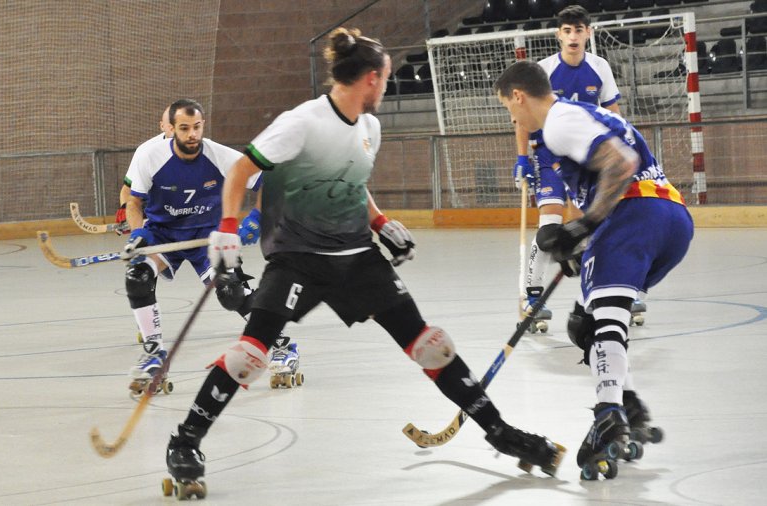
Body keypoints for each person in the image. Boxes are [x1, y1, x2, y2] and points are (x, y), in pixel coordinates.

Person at [162, 28, 565, 497]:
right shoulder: (303, 122)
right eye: (387, 78)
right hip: (298, 257)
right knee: (250, 354)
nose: (388, 86)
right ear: (371, 78)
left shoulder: (369, 127)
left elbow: (352, 182)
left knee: (430, 346)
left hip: (356, 256)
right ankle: (185, 441)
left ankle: (501, 432)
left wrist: (379, 222)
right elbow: (241, 170)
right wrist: (227, 231)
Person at [495, 60, 693, 477]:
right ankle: (629, 405)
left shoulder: (558, 121)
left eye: (509, 110)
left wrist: (583, 225)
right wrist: (578, 245)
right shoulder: (583, 114)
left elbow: (618, 165)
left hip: (634, 216)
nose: (513, 119)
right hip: (670, 219)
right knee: (588, 323)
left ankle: (608, 414)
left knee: (604, 327)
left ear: (518, 95)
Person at [512, 5, 649, 329]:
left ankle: (623, 288)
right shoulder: (542, 71)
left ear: (588, 33)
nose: (573, 36)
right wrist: (522, 158)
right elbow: (522, 115)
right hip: (549, 155)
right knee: (550, 226)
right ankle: (531, 295)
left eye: (579, 30)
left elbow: (614, 114)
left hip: (589, 158)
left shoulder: (600, 68)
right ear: (558, 35)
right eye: (567, 31)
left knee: (605, 220)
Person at [124, 98, 263, 390]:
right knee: (138, 277)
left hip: (209, 238)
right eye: (184, 128)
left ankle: (280, 343)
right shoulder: (149, 155)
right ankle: (154, 354)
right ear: (171, 129)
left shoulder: (219, 155)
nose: (192, 135)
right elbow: (133, 202)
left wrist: (256, 218)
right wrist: (139, 233)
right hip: (164, 235)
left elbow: (268, 182)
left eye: (197, 127)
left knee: (232, 293)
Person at [116, 106, 174, 235]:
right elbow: (127, 189)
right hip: (155, 212)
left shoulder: (202, 149)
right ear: (162, 126)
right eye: (171, 125)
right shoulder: (145, 151)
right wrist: (127, 211)